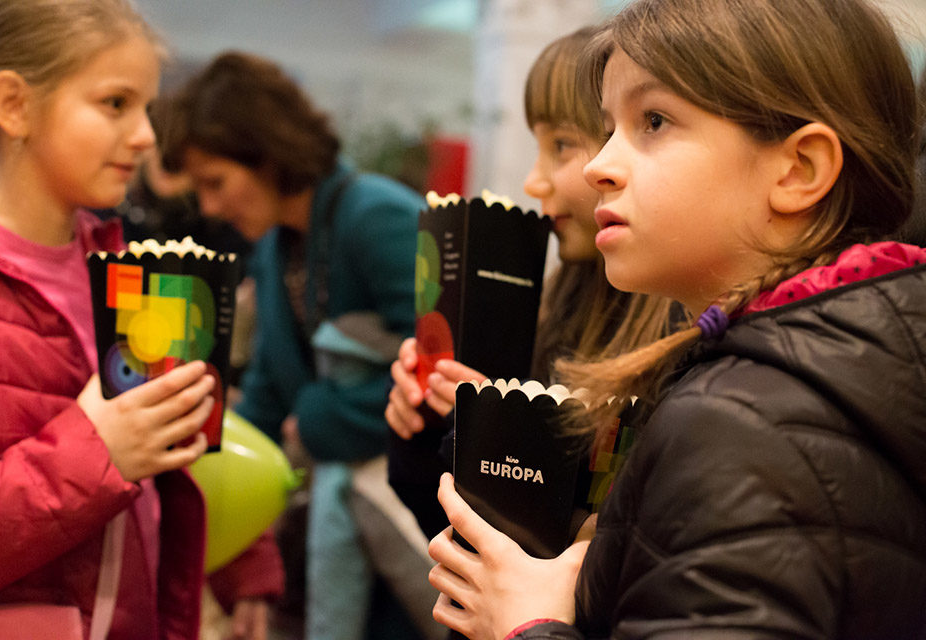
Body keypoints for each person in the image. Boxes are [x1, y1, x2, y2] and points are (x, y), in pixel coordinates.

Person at [427, 0, 926, 638]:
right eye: (609, 127)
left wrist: (529, 624)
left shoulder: (742, 420)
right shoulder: (826, 362)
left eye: (654, 121)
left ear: (798, 170)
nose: (596, 166)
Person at [0, 1, 282, 639]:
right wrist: (95, 454)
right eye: (115, 104)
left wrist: (244, 558)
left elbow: (174, 431)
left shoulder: (130, 272)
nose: (145, 136)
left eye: (145, 108)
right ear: (13, 105)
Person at [154, 51, 428, 640]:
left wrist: (323, 419)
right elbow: (264, 401)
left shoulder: (375, 214)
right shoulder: (278, 248)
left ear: (267, 152)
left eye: (216, 182)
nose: (208, 207)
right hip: (343, 532)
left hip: (411, 530)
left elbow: (448, 365)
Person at [385, 25, 677, 541]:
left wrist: (493, 440)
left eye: (562, 145)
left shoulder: (679, 343)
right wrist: (431, 422)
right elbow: (452, 532)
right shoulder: (552, 306)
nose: (533, 182)